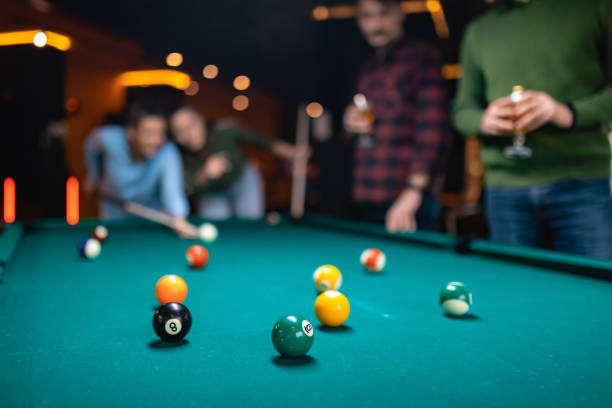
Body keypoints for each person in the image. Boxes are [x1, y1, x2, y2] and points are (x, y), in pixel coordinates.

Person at [452, 0, 612, 259]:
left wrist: (566, 112)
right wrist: (484, 121)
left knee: (596, 294)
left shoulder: (594, 8)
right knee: (516, 294)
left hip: (582, 184)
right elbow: (462, 110)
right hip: (505, 190)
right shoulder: (479, 30)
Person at [343, 0, 450, 232]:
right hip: (367, 195)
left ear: (400, 13)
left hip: (409, 200)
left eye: (383, 14)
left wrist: (413, 191)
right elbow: (358, 135)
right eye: (367, 16)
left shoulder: (422, 57)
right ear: (359, 21)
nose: (376, 25)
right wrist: (350, 126)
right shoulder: (368, 68)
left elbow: (433, 128)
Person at [169, 106, 309, 220]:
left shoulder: (226, 131)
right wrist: (205, 174)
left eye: (191, 125)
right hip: (211, 193)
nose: (188, 133)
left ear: (201, 120)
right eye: (180, 131)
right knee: (217, 225)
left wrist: (293, 152)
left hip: (244, 181)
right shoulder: (175, 156)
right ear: (176, 138)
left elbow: (263, 142)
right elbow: (188, 189)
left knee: (250, 224)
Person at [84, 100, 193, 236]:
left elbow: (173, 191)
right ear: (131, 132)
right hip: (112, 215)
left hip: (150, 219)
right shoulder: (108, 138)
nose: (156, 140)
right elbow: (91, 145)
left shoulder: (167, 151)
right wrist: (93, 176)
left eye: (161, 133)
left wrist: (179, 218)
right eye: (148, 133)